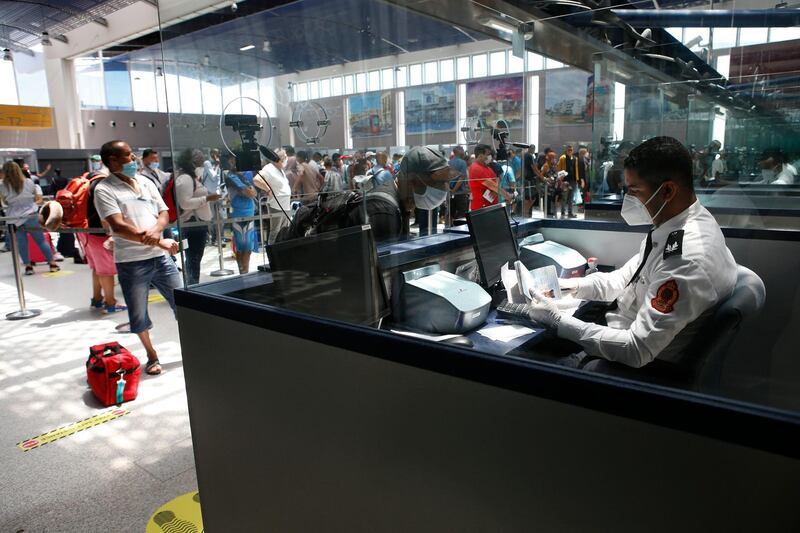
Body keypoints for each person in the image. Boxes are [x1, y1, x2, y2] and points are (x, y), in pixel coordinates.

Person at [527, 137, 738, 373]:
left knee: (523, 360)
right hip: (618, 329)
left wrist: (558, 321)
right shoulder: (675, 226)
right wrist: (569, 286)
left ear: (667, 190)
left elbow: (636, 350)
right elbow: (623, 280)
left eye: (634, 191)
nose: (628, 200)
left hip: (633, 365)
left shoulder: (686, 258)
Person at [93, 140, 182, 376]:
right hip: (132, 262)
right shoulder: (104, 189)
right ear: (112, 160)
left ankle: (196, 345)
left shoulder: (145, 182)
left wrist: (156, 233)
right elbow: (119, 226)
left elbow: (163, 212)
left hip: (161, 258)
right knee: (139, 313)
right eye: (128, 156)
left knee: (183, 304)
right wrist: (159, 240)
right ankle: (152, 355)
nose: (133, 160)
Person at [75, 164, 128, 313]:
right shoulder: (102, 183)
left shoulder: (89, 177)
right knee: (107, 270)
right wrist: (111, 234)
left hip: (85, 231)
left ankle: (97, 299)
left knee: (97, 268)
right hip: (99, 233)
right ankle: (110, 303)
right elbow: (104, 214)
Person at [0, 161, 60, 275]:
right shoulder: (29, 182)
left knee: (22, 243)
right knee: (41, 241)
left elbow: (5, 201)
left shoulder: (2, 185)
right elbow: (35, 198)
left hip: (14, 217)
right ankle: (52, 263)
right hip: (30, 215)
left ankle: (28, 267)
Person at [174, 149, 220, 285]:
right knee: (193, 258)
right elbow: (185, 203)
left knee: (194, 258)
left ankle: (193, 285)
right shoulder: (186, 179)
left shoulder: (191, 177)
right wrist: (207, 198)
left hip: (197, 223)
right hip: (192, 224)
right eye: (199, 157)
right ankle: (192, 287)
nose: (203, 159)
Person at [225, 155, 258, 273]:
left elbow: (253, 192)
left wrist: (250, 191)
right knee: (243, 247)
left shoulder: (243, 175)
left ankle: (244, 273)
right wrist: (250, 190)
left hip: (248, 212)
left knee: (247, 248)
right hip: (240, 213)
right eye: (233, 159)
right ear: (230, 161)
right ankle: (243, 274)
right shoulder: (231, 176)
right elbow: (250, 192)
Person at [254, 148, 292, 244]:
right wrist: (267, 189)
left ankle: (282, 252)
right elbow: (256, 180)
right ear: (278, 158)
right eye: (284, 157)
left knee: (285, 231)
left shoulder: (280, 170)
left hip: (286, 206)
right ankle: (271, 252)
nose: (286, 159)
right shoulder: (269, 168)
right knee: (275, 231)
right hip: (276, 206)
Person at [469, 144, 512, 211]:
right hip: (481, 207)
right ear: (480, 155)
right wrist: (506, 195)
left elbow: (497, 182)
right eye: (488, 154)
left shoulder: (488, 168)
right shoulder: (476, 168)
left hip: (491, 205)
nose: (490, 157)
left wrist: (496, 191)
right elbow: (492, 185)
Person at [448, 146, 469, 221]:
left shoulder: (448, 162)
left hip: (450, 194)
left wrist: (451, 191)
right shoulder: (462, 163)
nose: (464, 152)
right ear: (458, 151)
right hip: (460, 193)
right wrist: (454, 190)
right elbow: (462, 178)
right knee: (461, 215)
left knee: (451, 214)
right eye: (462, 150)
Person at [557, 145, 578, 218]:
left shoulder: (575, 158)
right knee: (564, 197)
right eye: (568, 150)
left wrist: (577, 179)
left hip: (573, 180)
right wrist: (560, 180)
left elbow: (576, 169)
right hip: (565, 180)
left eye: (571, 150)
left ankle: (570, 212)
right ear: (566, 150)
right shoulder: (563, 158)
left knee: (571, 198)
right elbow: (559, 169)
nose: (570, 151)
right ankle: (563, 212)